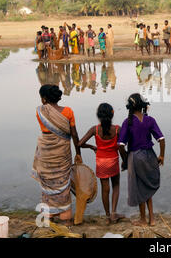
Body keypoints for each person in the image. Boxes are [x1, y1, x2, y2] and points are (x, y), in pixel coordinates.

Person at [32, 84, 82, 226]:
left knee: (48, 183)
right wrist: (78, 153)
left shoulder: (40, 111)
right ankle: (65, 218)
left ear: (44, 99)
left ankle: (48, 215)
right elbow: (74, 134)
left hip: (45, 153)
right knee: (63, 182)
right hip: (62, 153)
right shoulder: (68, 111)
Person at [118, 94, 166, 227]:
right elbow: (161, 139)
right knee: (147, 187)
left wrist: (125, 158)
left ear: (130, 107)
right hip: (150, 155)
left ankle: (143, 220)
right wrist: (161, 155)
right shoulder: (149, 120)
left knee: (139, 188)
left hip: (135, 156)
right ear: (143, 106)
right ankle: (152, 219)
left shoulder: (128, 122)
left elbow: (121, 145)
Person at [78, 103, 125, 224]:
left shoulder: (95, 129)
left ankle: (108, 216)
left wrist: (92, 147)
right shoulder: (117, 129)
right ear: (112, 114)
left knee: (105, 189)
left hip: (101, 162)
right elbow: (122, 146)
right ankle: (114, 212)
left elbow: (80, 143)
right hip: (113, 161)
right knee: (115, 186)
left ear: (98, 115)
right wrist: (126, 160)